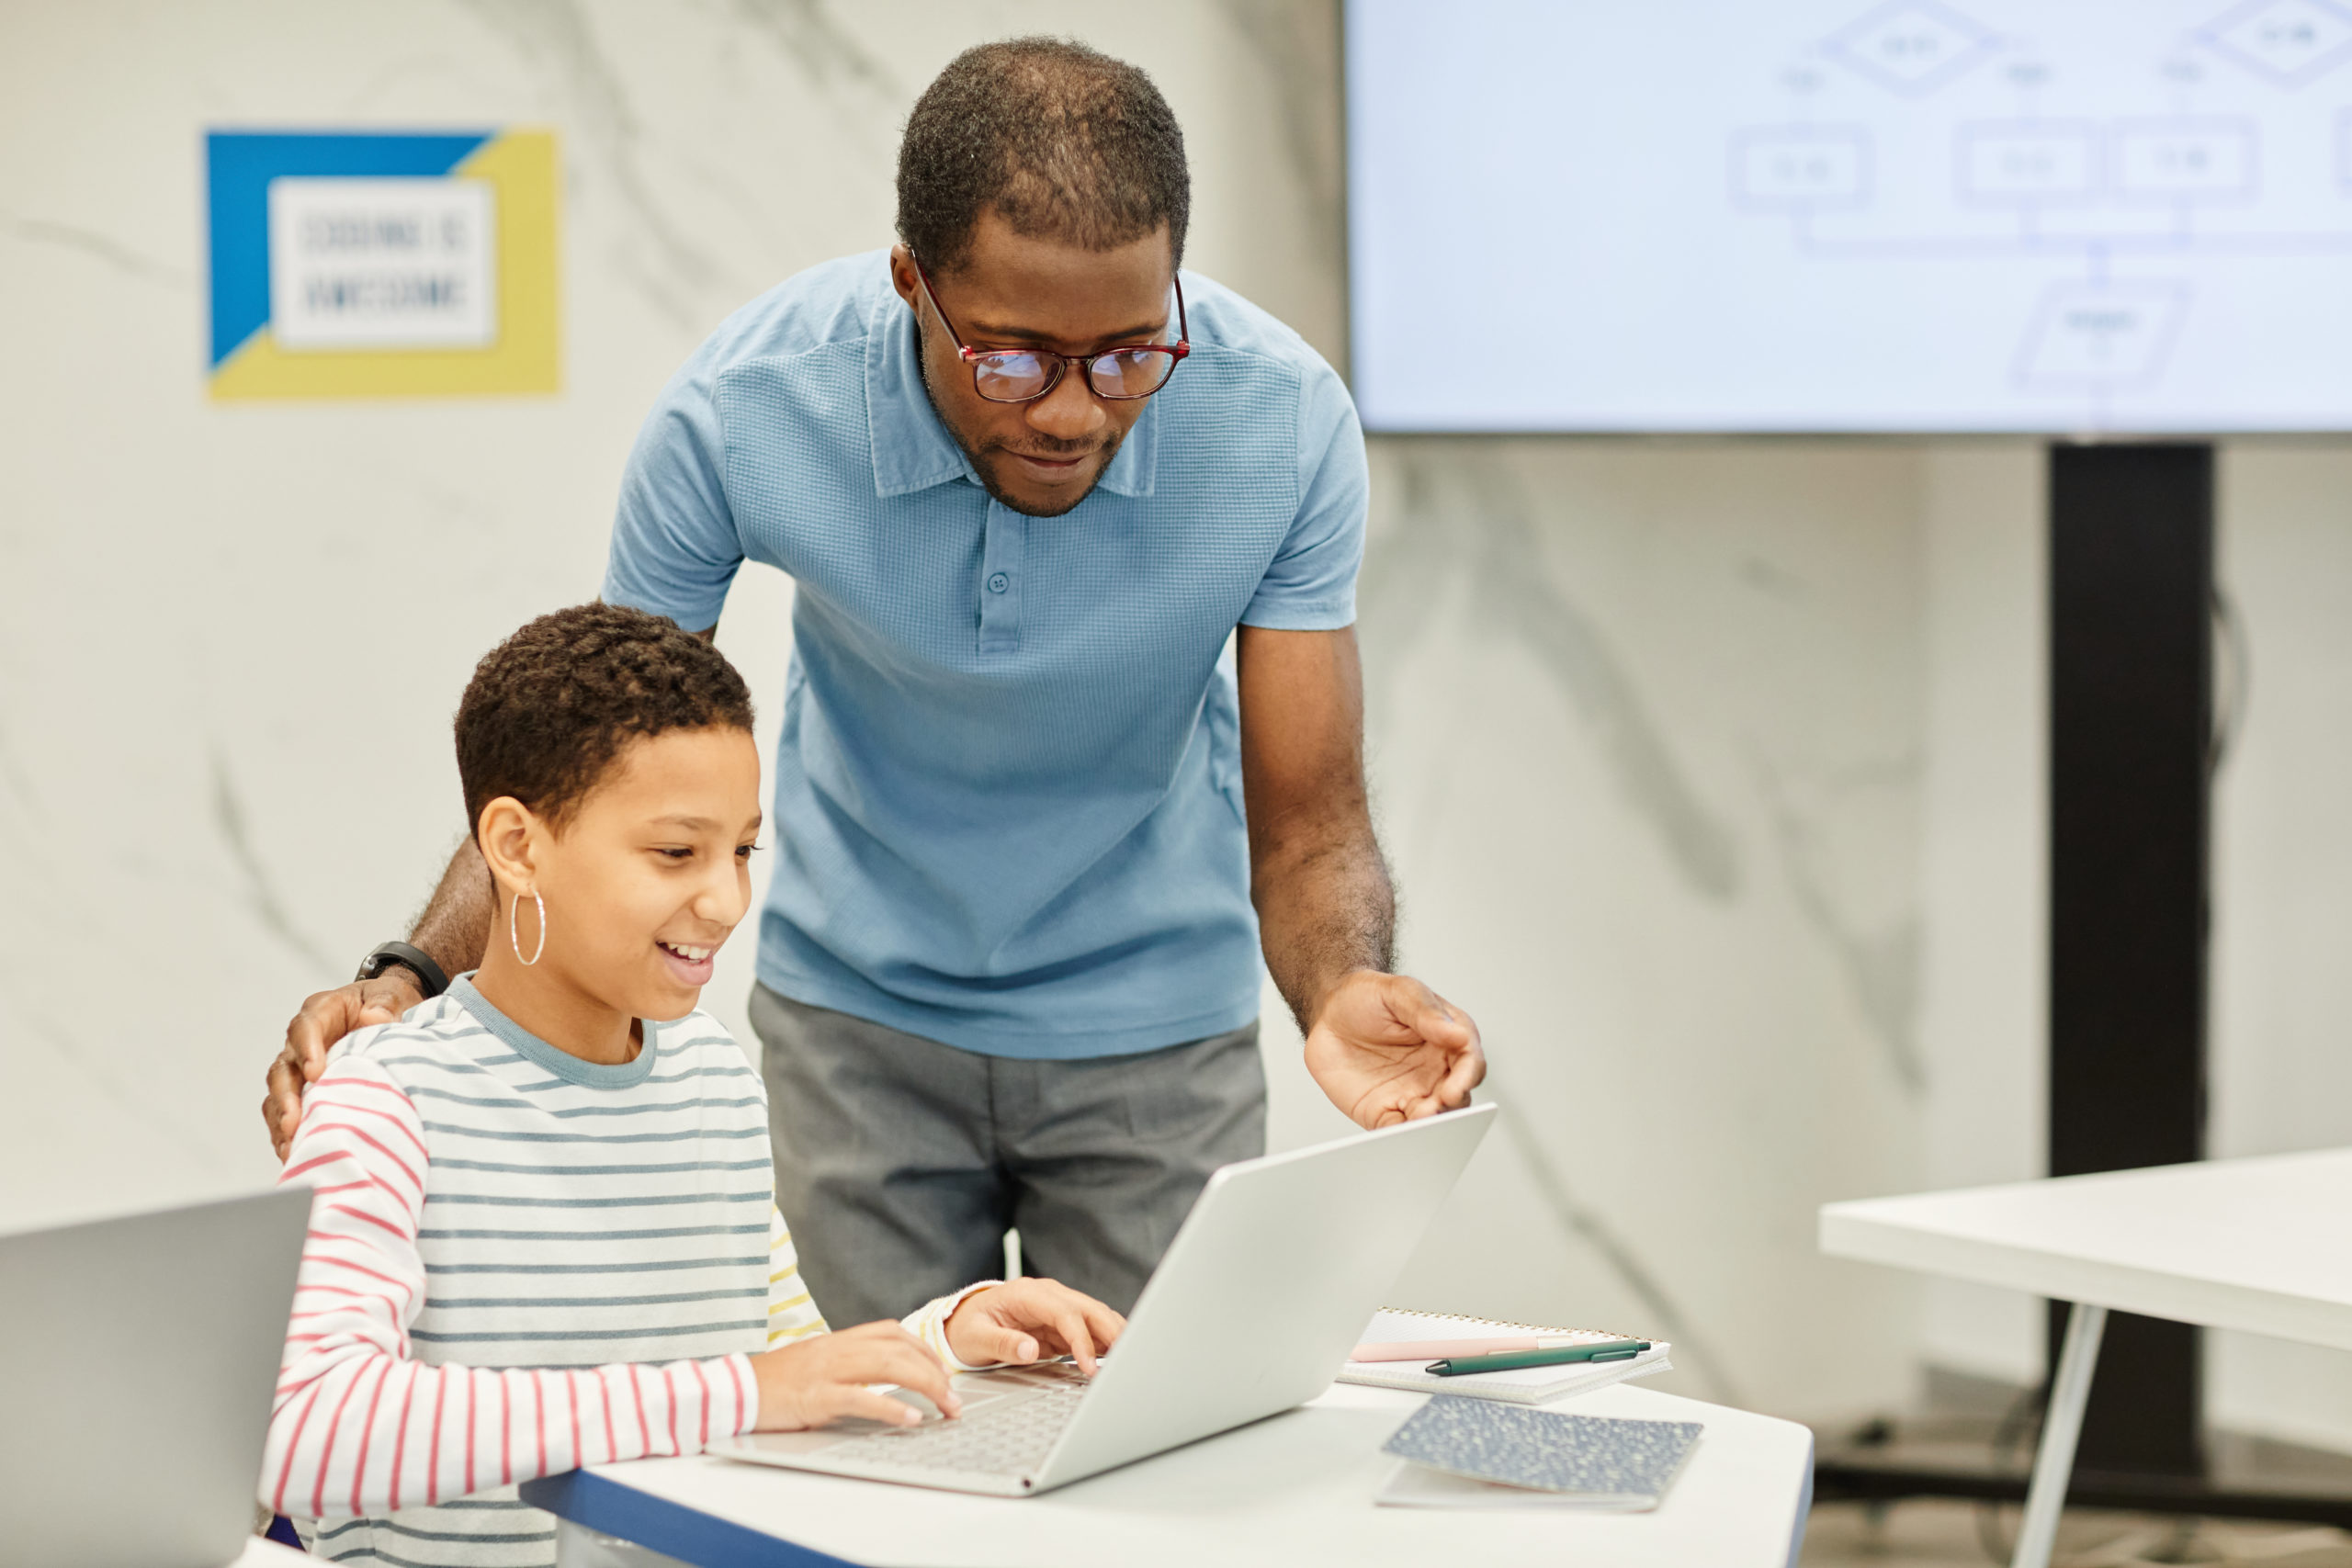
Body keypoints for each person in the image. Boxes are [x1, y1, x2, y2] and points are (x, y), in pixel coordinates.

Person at [266, 37, 1484, 1325]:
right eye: (1012, 359)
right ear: (913, 283)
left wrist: (1346, 983)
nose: (1074, 411)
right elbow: (583, 776)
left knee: (1154, 1475)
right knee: (856, 1465)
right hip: (854, 1022)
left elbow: (1310, 822)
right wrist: (410, 977)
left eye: (1130, 354)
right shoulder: (749, 410)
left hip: (1156, 1031)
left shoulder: (1279, 420)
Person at [266, 604, 1123, 1568]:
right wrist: (747, 1392)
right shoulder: (385, 1101)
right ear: (515, 846)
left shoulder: (714, 1077)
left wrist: (948, 1340)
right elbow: (305, 1426)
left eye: (742, 850)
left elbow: (781, 1361)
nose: (725, 900)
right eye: (676, 853)